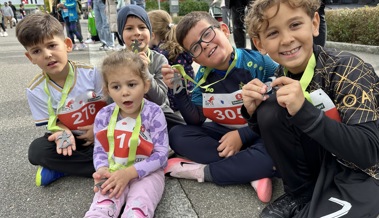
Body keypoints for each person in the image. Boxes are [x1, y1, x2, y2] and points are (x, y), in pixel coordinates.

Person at [242, 0, 379, 217]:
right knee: (270, 108)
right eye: (273, 33)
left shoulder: (348, 68)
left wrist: (305, 112)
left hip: (364, 172)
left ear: (314, 23)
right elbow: (282, 135)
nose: (287, 40)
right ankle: (301, 193)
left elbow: (369, 153)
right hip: (325, 163)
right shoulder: (281, 74)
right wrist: (253, 114)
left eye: (295, 25)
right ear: (260, 44)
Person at [161, 11, 279, 203]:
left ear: (224, 30)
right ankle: (250, 169)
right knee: (177, 135)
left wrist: (242, 136)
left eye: (206, 34)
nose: (205, 45)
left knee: (279, 148)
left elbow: (281, 93)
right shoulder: (202, 79)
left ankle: (200, 171)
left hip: (260, 132)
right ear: (196, 60)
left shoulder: (259, 62)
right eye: (196, 48)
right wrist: (179, 88)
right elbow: (196, 120)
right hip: (224, 134)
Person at [16, 13, 107, 187]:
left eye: (52, 45)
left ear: (67, 45)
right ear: (30, 57)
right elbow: (54, 122)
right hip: (74, 137)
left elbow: (112, 107)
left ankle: (64, 167)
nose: (47, 54)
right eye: (37, 51)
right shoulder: (35, 90)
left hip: (103, 130)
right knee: (37, 151)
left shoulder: (91, 73)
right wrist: (62, 133)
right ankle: (106, 166)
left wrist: (98, 129)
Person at [84, 50, 168, 217]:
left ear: (145, 85)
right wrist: (102, 170)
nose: (124, 92)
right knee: (102, 205)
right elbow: (100, 151)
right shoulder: (103, 116)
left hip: (148, 173)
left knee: (139, 205)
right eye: (116, 87)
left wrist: (130, 173)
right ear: (107, 90)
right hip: (114, 170)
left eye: (131, 84)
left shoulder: (154, 113)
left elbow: (161, 154)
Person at [117, 5, 186, 131]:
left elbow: (159, 100)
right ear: (121, 34)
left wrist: (145, 72)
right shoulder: (115, 61)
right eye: (129, 28)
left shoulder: (159, 60)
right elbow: (111, 100)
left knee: (182, 131)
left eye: (142, 27)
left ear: (151, 33)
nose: (137, 32)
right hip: (127, 115)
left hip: (159, 113)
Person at [147, 9, 195, 112]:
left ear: (152, 35)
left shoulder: (159, 54)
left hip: (173, 102)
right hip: (190, 97)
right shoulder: (177, 46)